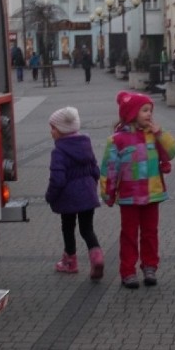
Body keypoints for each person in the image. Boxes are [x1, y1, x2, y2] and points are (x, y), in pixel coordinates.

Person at [100, 91, 175, 289]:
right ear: (132, 112)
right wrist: (108, 194)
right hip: (129, 197)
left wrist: (160, 133)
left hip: (152, 194)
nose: (149, 114)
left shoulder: (154, 135)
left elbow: (172, 151)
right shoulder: (117, 140)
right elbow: (109, 169)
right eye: (144, 110)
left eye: (150, 110)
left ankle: (150, 266)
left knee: (150, 233)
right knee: (129, 234)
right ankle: (128, 271)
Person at [45, 106, 104, 279]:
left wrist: (50, 196)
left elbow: (58, 179)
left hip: (68, 198)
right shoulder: (86, 144)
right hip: (87, 194)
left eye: (53, 128)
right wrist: (92, 184)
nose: (51, 132)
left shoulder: (59, 151)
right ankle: (97, 257)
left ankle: (70, 261)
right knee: (87, 229)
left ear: (62, 130)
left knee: (68, 228)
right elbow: (95, 169)